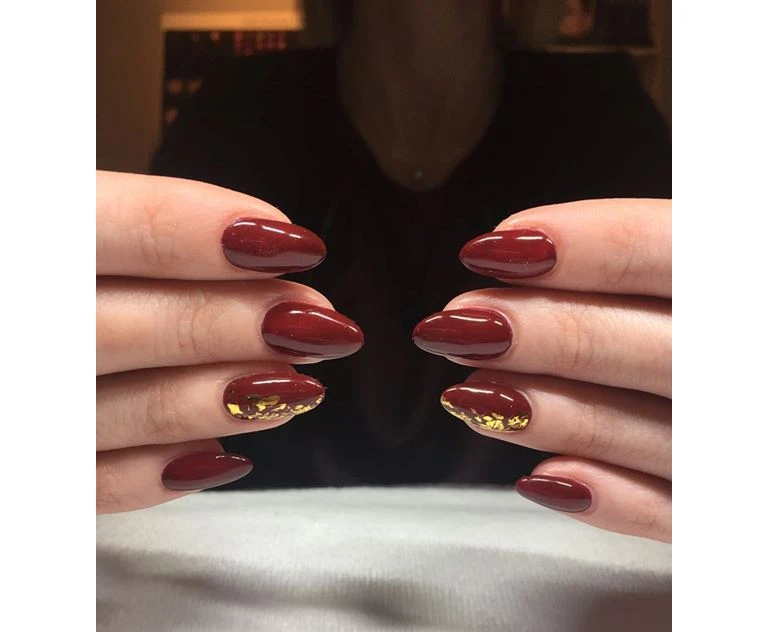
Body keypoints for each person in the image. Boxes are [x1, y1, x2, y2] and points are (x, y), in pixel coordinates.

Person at [96, 0, 671, 541]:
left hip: (557, 569)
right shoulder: (236, 112)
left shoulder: (604, 115)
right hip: (252, 564)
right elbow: (147, 371)